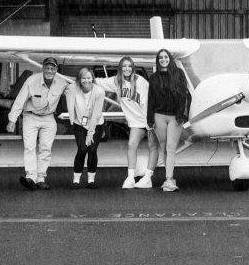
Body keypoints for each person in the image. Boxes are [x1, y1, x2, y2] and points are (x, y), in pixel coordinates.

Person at [96, 56, 159, 189]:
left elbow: (148, 101)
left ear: (132, 68)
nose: (127, 68)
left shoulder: (140, 81)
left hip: (150, 118)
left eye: (129, 66)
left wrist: (150, 120)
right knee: (131, 145)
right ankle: (130, 177)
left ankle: (148, 178)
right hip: (136, 122)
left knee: (152, 146)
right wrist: (80, 79)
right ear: (120, 68)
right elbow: (99, 82)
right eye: (124, 66)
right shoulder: (116, 81)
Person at [6, 57, 66, 190]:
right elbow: (20, 100)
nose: (49, 71)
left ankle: (40, 178)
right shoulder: (31, 81)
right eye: (47, 68)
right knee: (29, 146)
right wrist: (12, 120)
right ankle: (31, 177)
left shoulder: (62, 82)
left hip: (49, 118)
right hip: (31, 117)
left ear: (56, 70)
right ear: (43, 68)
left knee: (46, 148)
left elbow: (78, 88)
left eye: (52, 68)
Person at [146, 48, 191, 192]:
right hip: (159, 115)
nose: (163, 59)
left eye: (166, 57)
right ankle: (169, 177)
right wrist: (149, 119)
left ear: (170, 59)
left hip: (175, 117)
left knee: (171, 147)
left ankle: (169, 180)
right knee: (164, 147)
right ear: (158, 61)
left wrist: (181, 115)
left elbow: (184, 95)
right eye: (160, 58)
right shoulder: (153, 77)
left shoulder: (179, 74)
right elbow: (151, 99)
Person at [65, 67, 107, 189]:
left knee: (92, 150)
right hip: (79, 124)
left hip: (96, 124)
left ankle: (91, 181)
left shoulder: (99, 91)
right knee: (82, 149)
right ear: (79, 79)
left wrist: (90, 134)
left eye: (89, 78)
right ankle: (76, 181)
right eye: (83, 78)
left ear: (92, 78)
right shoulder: (73, 88)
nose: (86, 80)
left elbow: (96, 115)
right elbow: (61, 83)